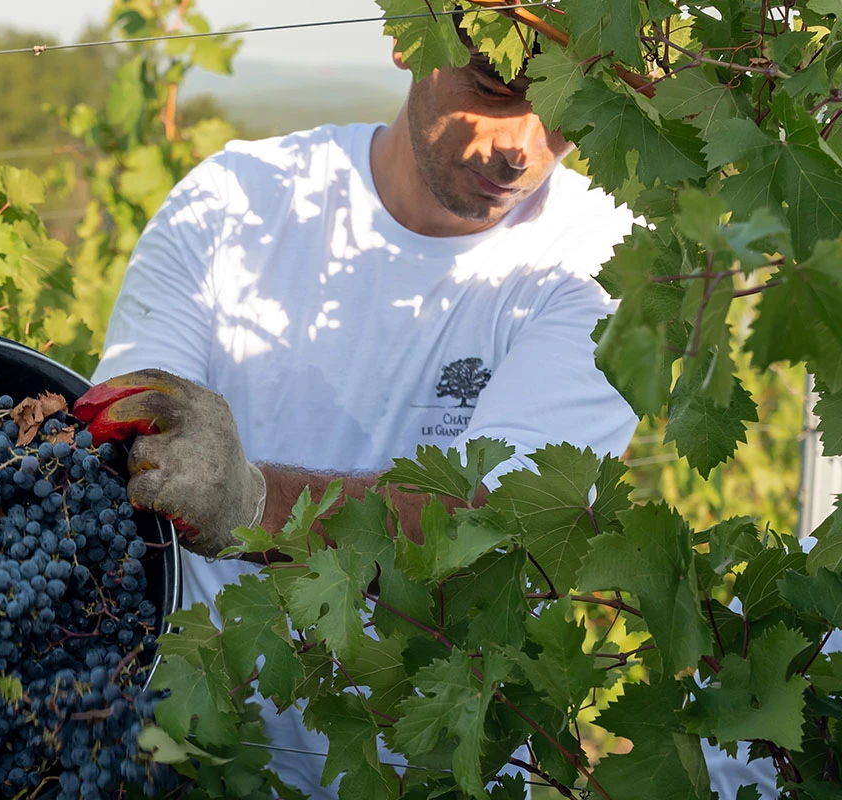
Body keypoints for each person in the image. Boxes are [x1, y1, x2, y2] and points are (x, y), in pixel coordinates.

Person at [73, 31, 775, 800]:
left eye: (570, 107)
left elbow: (500, 540)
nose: (523, 148)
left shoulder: (605, 273)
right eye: (497, 85)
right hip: (196, 763)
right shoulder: (231, 203)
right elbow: (128, 443)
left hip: (434, 780)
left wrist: (252, 500)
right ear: (409, 35)